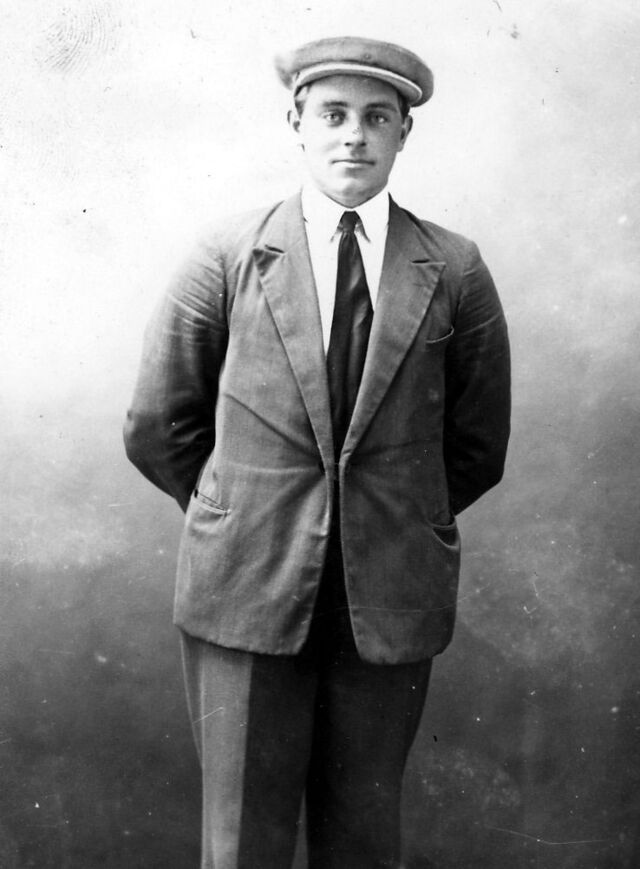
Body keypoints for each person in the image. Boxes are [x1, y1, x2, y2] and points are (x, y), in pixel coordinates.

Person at [124, 35, 510, 869]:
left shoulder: (453, 267)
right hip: (246, 585)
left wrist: (391, 515)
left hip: (388, 594)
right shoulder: (228, 254)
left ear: (404, 133)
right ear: (296, 123)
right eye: (333, 115)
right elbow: (159, 425)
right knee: (243, 843)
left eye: (377, 118)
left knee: (363, 838)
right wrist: (241, 512)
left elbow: (478, 446)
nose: (354, 136)